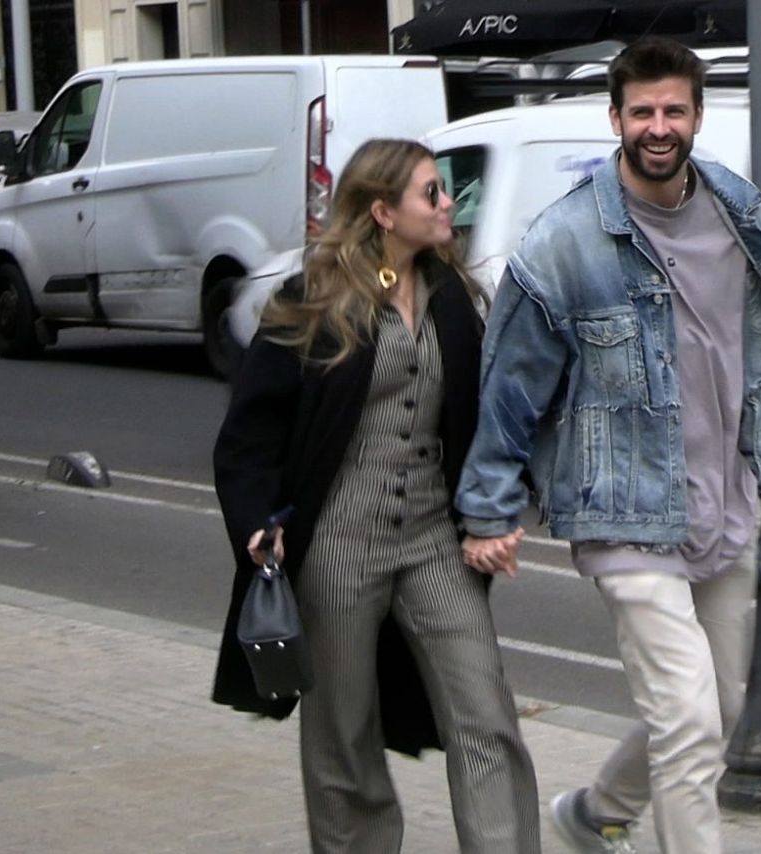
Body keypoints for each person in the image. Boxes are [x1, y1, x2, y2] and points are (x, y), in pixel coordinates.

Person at [456, 38, 761, 853]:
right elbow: (511, 387)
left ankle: (595, 812)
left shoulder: (741, 212)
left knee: (723, 710)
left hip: (724, 501)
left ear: (698, 116)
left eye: (674, 109)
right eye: (643, 111)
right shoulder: (566, 240)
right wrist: (488, 509)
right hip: (625, 509)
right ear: (616, 119)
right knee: (689, 722)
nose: (659, 126)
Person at [211, 138, 540, 854]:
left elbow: (489, 418)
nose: (448, 202)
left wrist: (496, 512)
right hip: (337, 540)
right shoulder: (316, 301)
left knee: (485, 715)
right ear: (384, 211)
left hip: (432, 541)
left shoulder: (454, 297)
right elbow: (250, 431)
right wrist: (258, 519)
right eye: (432, 192)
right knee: (344, 732)